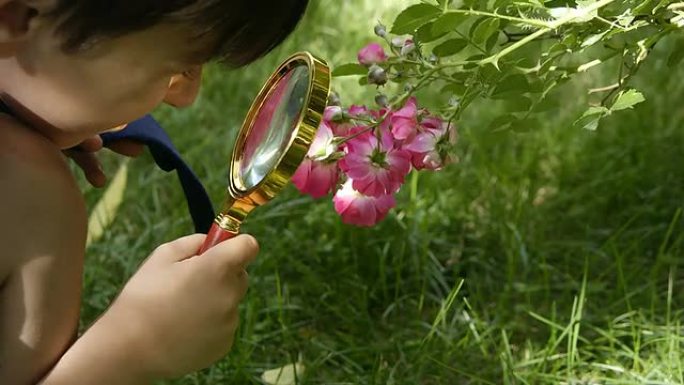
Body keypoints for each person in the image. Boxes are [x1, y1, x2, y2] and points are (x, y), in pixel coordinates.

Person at [0, 1, 309, 384]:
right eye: (176, 67)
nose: (184, 97)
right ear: (17, 16)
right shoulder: (35, 195)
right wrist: (133, 347)